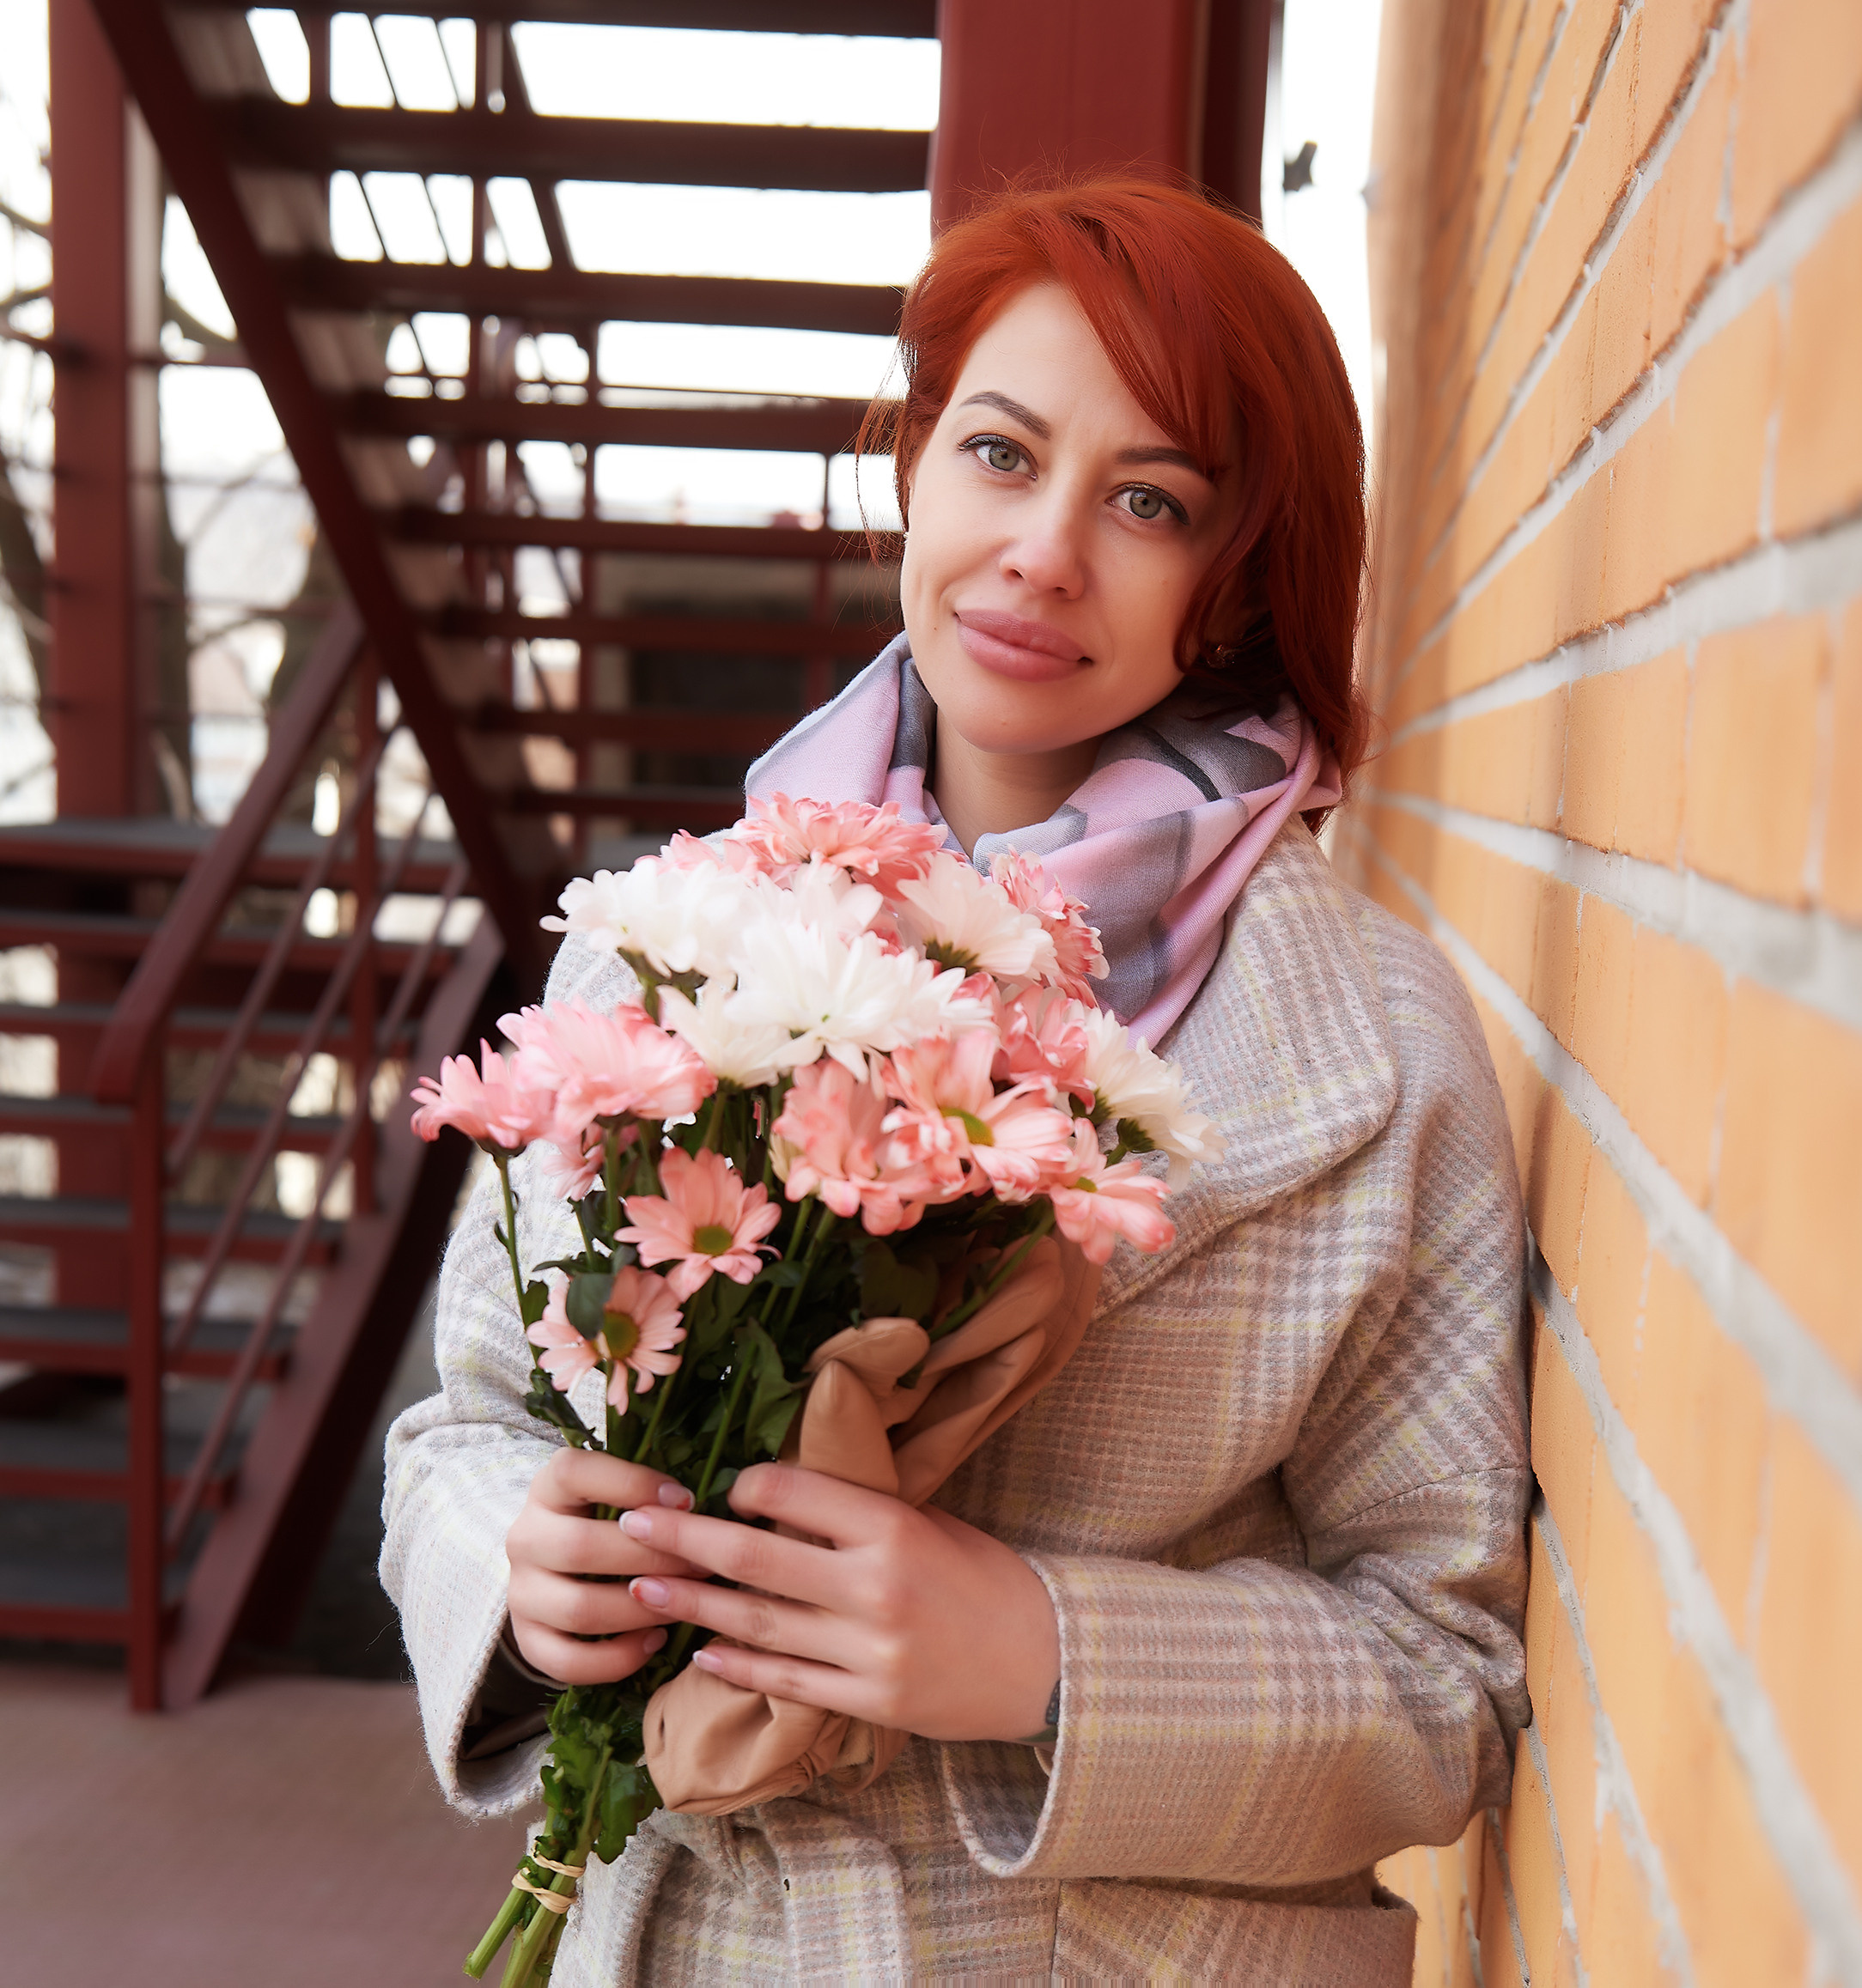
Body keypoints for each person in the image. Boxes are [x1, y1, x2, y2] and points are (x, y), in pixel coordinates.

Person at [383, 175, 1530, 1985]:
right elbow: (463, 1425)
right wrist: (522, 1572)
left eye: (1149, 501)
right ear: (915, 467)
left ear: (1237, 586)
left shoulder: (1379, 1048)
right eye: (999, 454)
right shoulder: (669, 937)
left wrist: (1041, 1653)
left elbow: (1449, 1677)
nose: (1046, 551)